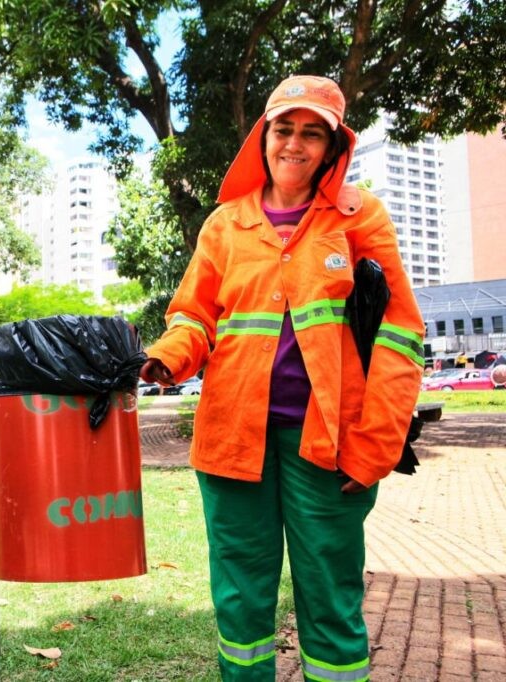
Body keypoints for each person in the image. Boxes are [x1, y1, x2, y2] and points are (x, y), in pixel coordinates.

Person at [140, 75, 424, 681]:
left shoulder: (359, 216)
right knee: (240, 602)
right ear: (263, 137)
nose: (294, 143)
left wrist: (376, 446)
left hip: (328, 446)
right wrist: (168, 356)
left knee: (330, 598)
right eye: (284, 129)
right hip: (231, 441)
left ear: (331, 146)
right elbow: (194, 314)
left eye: (312, 133)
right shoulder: (224, 224)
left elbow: (401, 335)